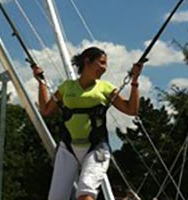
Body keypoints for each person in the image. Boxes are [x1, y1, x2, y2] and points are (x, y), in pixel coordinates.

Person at [33, 47, 143, 200]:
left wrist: (135, 81)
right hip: (68, 147)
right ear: (87, 61)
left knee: (85, 193)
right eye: (101, 63)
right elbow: (45, 110)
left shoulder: (105, 88)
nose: (104, 68)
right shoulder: (67, 87)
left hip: (96, 147)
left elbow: (131, 110)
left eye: (106, 64)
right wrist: (41, 83)